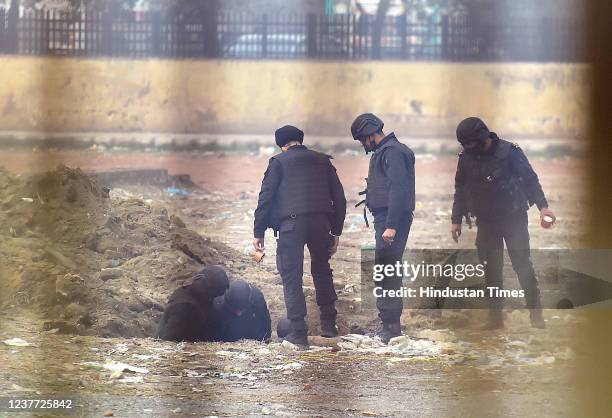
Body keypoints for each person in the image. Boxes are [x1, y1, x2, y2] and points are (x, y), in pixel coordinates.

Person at [451, 117, 556, 329]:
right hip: (486, 221)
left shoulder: (510, 152)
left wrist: (543, 206)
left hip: (513, 218)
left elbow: (530, 179)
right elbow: (460, 188)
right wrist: (456, 220)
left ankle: (536, 317)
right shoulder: (466, 157)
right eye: (467, 146)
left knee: (522, 265)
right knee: (491, 270)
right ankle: (495, 320)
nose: (471, 149)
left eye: (472, 144)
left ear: (482, 137)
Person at [253, 125, 347, 346]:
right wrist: (336, 231)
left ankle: (298, 333)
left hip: (291, 226)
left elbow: (265, 198)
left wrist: (259, 232)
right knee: (322, 270)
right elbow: (340, 199)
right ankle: (329, 327)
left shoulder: (278, 163)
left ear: (281, 145)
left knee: (292, 276)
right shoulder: (323, 161)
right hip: (321, 224)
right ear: (299, 140)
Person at [350, 113, 415, 343]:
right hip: (387, 218)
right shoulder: (388, 151)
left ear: (369, 133)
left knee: (387, 271)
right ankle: (389, 324)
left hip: (391, 219)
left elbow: (398, 189)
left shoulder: (393, 152)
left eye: (361, 140)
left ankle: (391, 327)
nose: (362, 145)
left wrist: (391, 226)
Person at [158, 265, 229, 342]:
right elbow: (167, 341)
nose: (213, 298)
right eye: (214, 294)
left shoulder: (195, 294)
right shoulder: (186, 307)